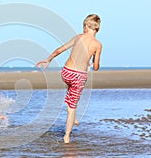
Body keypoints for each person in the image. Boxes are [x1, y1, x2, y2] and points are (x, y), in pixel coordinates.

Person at [36, 14, 102, 143]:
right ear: (97, 29)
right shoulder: (97, 45)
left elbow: (59, 50)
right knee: (72, 107)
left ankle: (74, 117)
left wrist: (48, 60)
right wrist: (94, 58)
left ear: (86, 26)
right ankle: (67, 136)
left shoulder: (78, 37)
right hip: (79, 76)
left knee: (71, 90)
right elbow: (96, 67)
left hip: (66, 72)